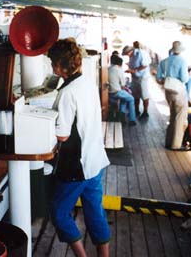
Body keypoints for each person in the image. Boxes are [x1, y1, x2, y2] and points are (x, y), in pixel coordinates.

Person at [48, 38, 110, 257]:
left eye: (52, 63)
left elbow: (62, 135)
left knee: (59, 213)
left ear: (59, 66)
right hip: (95, 159)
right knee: (95, 211)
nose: (51, 67)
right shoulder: (85, 82)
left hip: (77, 166)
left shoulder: (66, 93)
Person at [156, 41, 189, 151]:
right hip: (178, 91)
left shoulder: (164, 61)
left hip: (168, 90)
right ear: (180, 51)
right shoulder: (182, 61)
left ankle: (168, 142)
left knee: (172, 116)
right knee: (180, 117)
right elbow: (184, 78)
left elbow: (159, 77)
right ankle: (176, 145)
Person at [122, 41, 151, 119]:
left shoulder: (141, 53)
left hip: (142, 77)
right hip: (134, 77)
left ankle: (145, 112)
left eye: (127, 54)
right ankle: (136, 110)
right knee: (135, 95)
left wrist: (134, 70)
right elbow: (134, 62)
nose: (128, 56)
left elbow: (145, 65)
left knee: (144, 95)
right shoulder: (132, 55)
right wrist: (129, 65)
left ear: (130, 51)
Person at [108, 54, 136, 126]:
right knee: (131, 99)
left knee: (124, 98)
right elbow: (123, 85)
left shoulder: (108, 68)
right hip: (116, 92)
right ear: (120, 64)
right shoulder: (119, 70)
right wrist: (126, 89)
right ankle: (132, 120)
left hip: (109, 92)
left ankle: (122, 118)